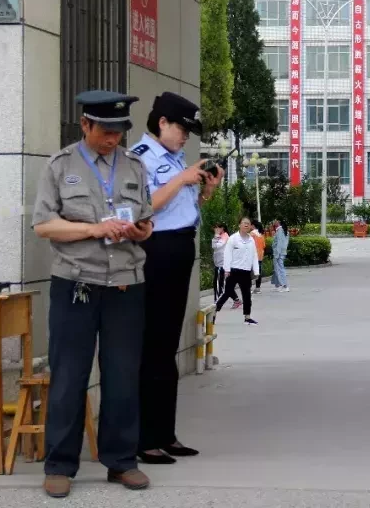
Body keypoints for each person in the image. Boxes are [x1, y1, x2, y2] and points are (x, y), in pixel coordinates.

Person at [31, 90, 155, 498]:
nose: (112, 139)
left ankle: (121, 461)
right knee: (69, 375)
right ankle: (60, 464)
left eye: (119, 131)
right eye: (105, 131)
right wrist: (93, 229)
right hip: (76, 282)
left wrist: (139, 231)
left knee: (122, 375)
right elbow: (44, 226)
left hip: (125, 282)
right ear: (85, 125)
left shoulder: (135, 166)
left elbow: (147, 222)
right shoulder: (60, 165)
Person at [131, 92, 221, 465]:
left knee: (167, 345)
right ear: (162, 122)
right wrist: (181, 178)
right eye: (183, 129)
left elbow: (184, 210)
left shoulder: (174, 158)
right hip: (156, 252)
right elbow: (144, 206)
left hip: (179, 248)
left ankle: (165, 434)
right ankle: (144, 438)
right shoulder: (139, 158)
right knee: (152, 344)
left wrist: (205, 191)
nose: (186, 137)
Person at [215, 217, 260, 324]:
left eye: (248, 224)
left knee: (247, 295)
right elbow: (227, 254)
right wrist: (226, 269)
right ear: (239, 225)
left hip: (246, 271)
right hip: (233, 270)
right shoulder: (233, 238)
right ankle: (214, 312)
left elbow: (254, 255)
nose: (246, 225)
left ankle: (247, 317)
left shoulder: (251, 240)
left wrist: (256, 271)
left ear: (250, 226)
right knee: (227, 293)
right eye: (244, 223)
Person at [271, 219, 290, 292]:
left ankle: (284, 286)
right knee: (278, 269)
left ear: (278, 222)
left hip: (278, 253)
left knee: (279, 269)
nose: (273, 221)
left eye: (275, 220)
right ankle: (278, 285)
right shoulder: (284, 230)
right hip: (282, 252)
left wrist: (277, 254)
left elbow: (279, 243)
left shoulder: (280, 231)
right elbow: (285, 243)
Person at [251, 220, 266, 294]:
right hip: (260, 255)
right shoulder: (261, 234)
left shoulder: (252, 234)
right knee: (258, 272)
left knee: (249, 272)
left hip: (253, 255)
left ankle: (248, 287)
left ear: (253, 225)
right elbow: (264, 245)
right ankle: (258, 288)